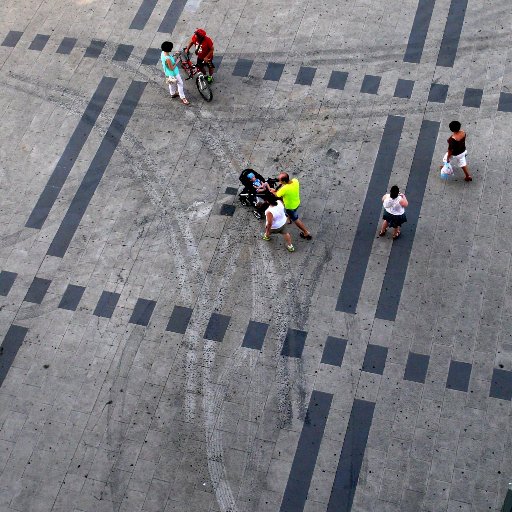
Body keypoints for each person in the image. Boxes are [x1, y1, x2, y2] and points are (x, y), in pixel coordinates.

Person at [271, 172, 312, 240]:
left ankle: (306, 232)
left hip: (290, 207)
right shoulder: (295, 180)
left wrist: (272, 191)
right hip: (297, 202)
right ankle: (289, 219)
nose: (278, 181)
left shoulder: (284, 189)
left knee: (296, 219)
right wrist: (283, 184)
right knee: (290, 214)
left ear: (284, 181)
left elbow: (277, 195)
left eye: (280, 180)